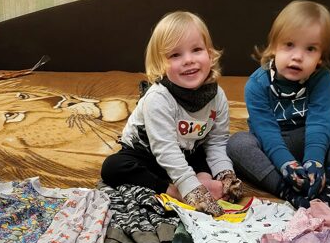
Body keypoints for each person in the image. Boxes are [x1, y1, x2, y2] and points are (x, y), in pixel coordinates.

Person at [101, 11, 243, 217]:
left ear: (210, 55)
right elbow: (165, 149)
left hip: (188, 149)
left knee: (203, 154)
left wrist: (225, 174)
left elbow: (216, 142)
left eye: (196, 50)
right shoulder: (158, 98)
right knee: (112, 167)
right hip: (147, 152)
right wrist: (190, 190)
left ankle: (204, 178)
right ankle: (173, 190)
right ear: (160, 64)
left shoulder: (217, 96)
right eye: (175, 55)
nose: (188, 60)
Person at [227, 0, 330, 209]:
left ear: (320, 58)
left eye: (310, 49)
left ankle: (327, 191)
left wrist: (315, 160)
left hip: (316, 141)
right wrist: (285, 163)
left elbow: (320, 121)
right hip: (273, 146)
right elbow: (266, 131)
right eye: (289, 45)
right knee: (237, 143)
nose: (298, 56)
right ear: (274, 47)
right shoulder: (256, 84)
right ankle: (289, 192)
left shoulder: (321, 79)